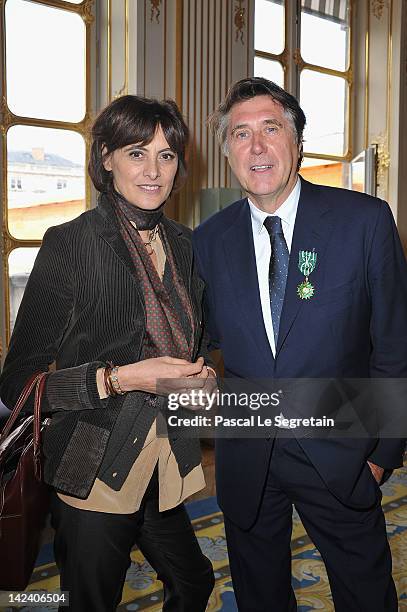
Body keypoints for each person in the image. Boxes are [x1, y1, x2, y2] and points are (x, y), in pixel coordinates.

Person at [192, 77, 407, 611]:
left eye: (271, 128)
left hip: (342, 450)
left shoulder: (365, 221)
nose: (256, 146)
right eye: (240, 135)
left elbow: (395, 346)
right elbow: (201, 341)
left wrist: (381, 453)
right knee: (260, 595)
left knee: (365, 593)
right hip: (247, 453)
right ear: (227, 153)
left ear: (298, 141)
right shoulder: (208, 240)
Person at [0, 95, 215, 611]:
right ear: (105, 158)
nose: (154, 170)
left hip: (162, 460)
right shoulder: (71, 243)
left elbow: (193, 342)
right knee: (93, 601)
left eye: (166, 156)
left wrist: (202, 375)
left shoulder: (185, 245)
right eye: (137, 153)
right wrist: (120, 378)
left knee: (194, 583)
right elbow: (18, 384)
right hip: (94, 469)